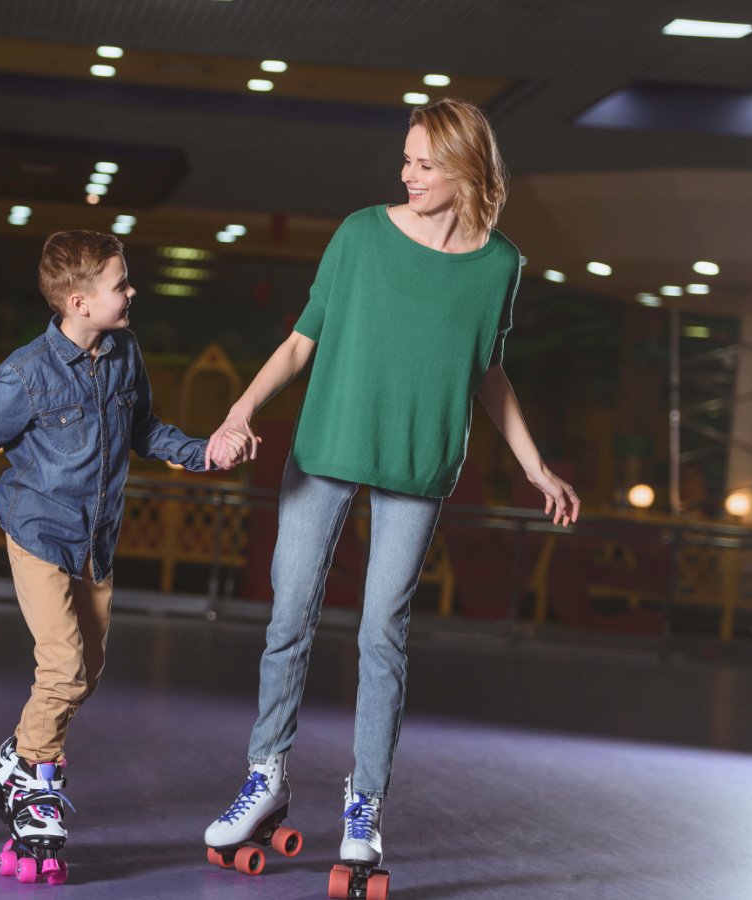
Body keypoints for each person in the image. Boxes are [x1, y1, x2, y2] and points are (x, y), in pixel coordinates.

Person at [199, 99, 580, 890]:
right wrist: (240, 411)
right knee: (289, 617)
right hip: (326, 448)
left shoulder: (499, 265)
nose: (407, 175)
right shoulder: (360, 234)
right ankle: (265, 776)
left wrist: (536, 466)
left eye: (425, 164)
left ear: (467, 170)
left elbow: (487, 371)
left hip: (418, 464)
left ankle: (364, 804)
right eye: (404, 160)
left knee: (383, 636)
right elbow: (304, 338)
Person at [0, 230, 221, 884]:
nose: (133, 292)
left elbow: (145, 431)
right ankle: (36, 784)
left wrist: (202, 451)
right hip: (38, 531)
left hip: (97, 538)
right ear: (79, 301)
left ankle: (5, 767)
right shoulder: (25, 373)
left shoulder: (125, 351)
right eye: (121, 284)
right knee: (64, 663)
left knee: (89, 669)